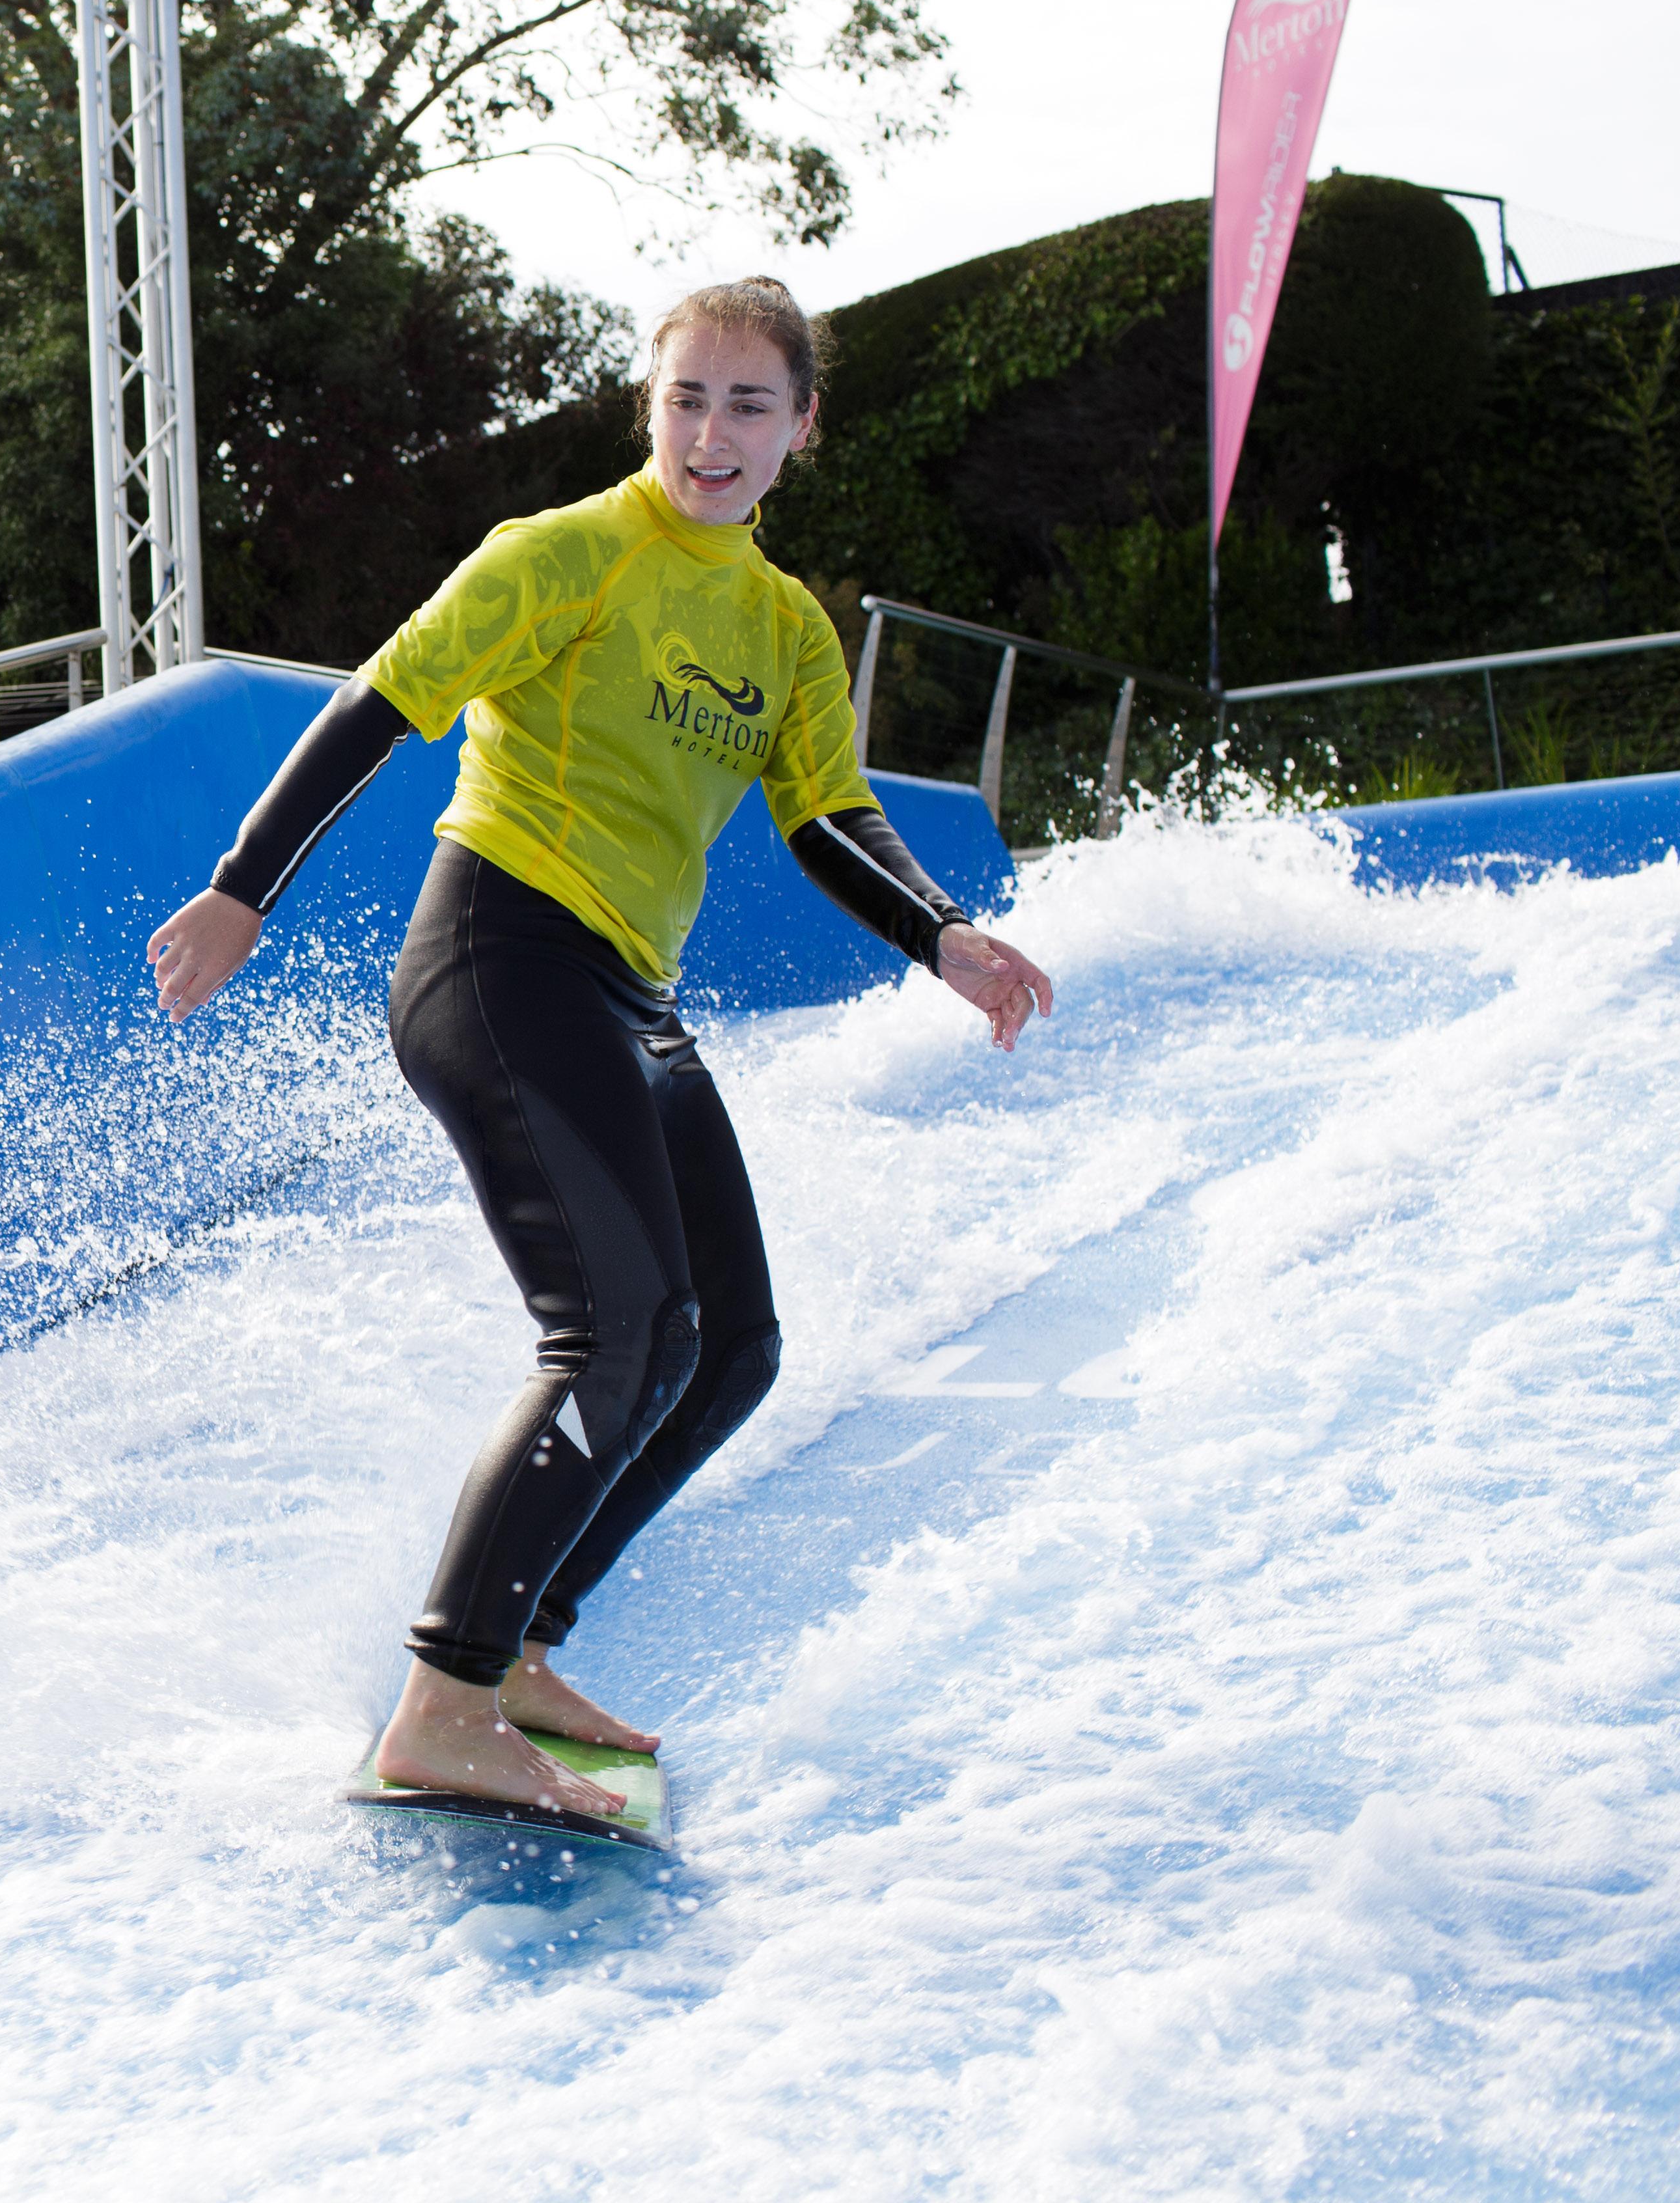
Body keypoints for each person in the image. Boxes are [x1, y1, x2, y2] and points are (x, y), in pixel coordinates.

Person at [145, 278, 1056, 1823]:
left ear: (799, 426)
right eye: (685, 398)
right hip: (497, 952)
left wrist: (941, 934)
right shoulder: (563, 555)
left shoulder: (781, 628)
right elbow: (381, 703)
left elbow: (826, 816)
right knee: (613, 1333)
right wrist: (242, 889)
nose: (711, 434)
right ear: (650, 407)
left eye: (747, 405)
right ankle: (437, 1700)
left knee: (729, 1346)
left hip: (627, 992)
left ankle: (511, 1653)